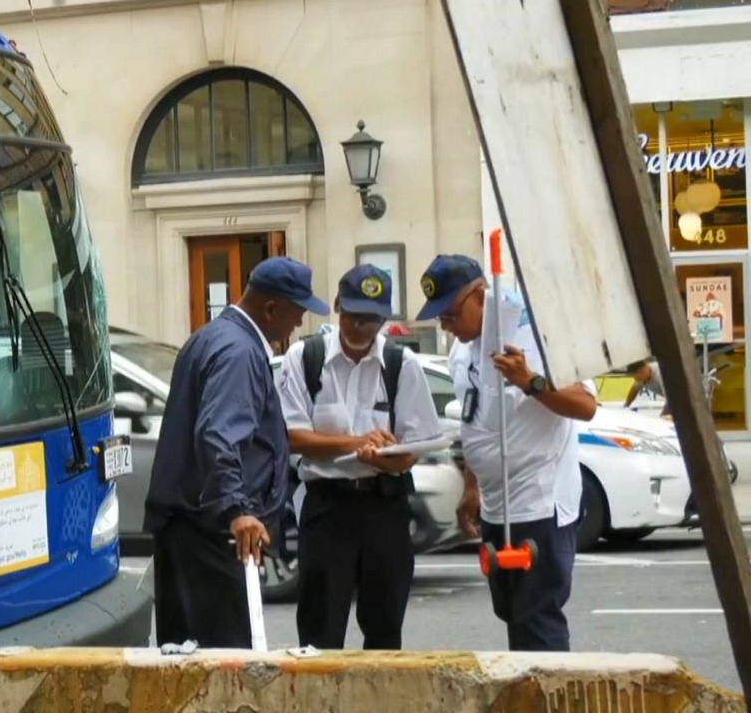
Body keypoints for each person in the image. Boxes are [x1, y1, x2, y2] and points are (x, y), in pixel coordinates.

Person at [416, 253, 597, 652]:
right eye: (439, 318)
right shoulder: (462, 353)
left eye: (449, 314)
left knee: (539, 617)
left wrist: (530, 381)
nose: (445, 326)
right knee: (513, 612)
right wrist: (472, 487)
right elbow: (475, 423)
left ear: (480, 295)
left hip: (539, 505)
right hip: (497, 507)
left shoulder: (537, 334)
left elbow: (585, 405)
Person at [145, 256, 326, 648]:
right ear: (272, 308)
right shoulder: (239, 352)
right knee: (223, 665)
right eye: (296, 313)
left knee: (187, 658)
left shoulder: (213, 337)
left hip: (191, 527)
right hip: (211, 533)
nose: (298, 324)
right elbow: (218, 435)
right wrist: (238, 510)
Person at [278, 264, 442, 650]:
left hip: (384, 504)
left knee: (385, 628)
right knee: (320, 630)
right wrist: (355, 444)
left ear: (384, 319)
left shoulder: (402, 366)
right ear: (336, 306)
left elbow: (417, 445)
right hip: (327, 507)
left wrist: (390, 459)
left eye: (369, 320)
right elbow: (291, 436)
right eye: (352, 316)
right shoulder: (305, 358)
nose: (359, 328)